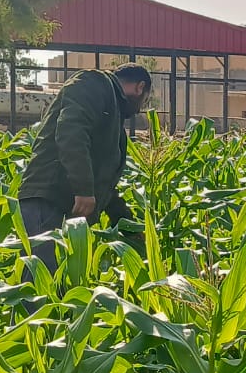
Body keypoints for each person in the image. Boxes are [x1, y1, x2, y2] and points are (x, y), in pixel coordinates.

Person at [17, 62, 152, 272]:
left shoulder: (112, 117)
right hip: (46, 199)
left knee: (58, 288)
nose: (140, 108)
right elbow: (71, 131)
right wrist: (83, 190)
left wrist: (129, 227)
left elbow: (104, 186)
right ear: (140, 87)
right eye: (145, 101)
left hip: (62, 207)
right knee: (39, 284)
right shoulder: (95, 82)